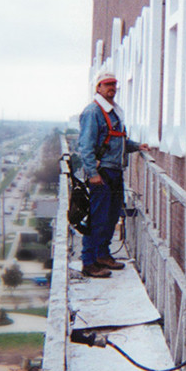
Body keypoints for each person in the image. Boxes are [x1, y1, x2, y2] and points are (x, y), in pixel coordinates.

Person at [78, 71, 148, 277]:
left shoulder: (113, 112)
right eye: (107, 85)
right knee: (97, 217)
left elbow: (117, 142)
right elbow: (85, 145)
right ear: (98, 88)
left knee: (110, 216)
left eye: (114, 85)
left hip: (115, 170)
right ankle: (88, 261)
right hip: (101, 172)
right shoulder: (93, 112)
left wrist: (137, 146)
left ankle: (103, 254)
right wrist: (92, 173)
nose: (112, 88)